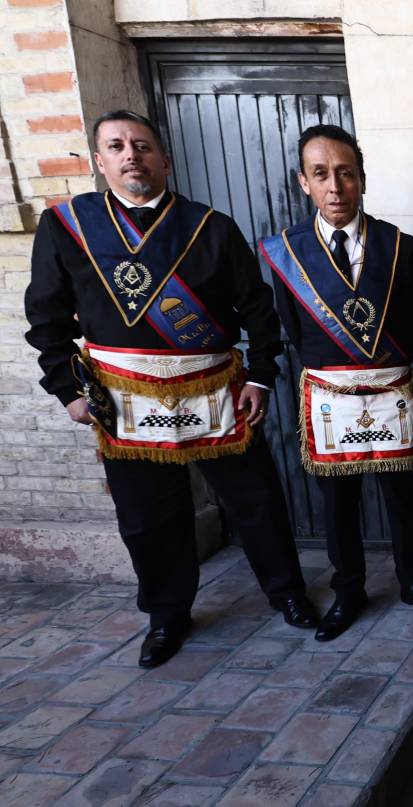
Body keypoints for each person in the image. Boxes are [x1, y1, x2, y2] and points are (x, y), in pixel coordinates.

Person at [24, 109, 318, 668]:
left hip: (215, 393)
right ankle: (167, 616)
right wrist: (68, 391)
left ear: (164, 158)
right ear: (99, 161)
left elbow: (258, 310)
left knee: (256, 502)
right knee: (147, 517)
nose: (130, 154)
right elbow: (46, 319)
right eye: (116, 146)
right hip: (124, 400)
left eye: (141, 144)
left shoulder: (211, 226)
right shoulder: (68, 227)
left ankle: (288, 594)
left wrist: (259, 374)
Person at [260, 124, 413, 642]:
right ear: (304, 183)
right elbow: (292, 329)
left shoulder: (401, 247)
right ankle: (348, 590)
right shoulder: (287, 252)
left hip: (391, 390)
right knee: (336, 503)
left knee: (401, 497)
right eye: (321, 174)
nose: (335, 186)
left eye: (345, 173)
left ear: (362, 179)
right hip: (329, 398)